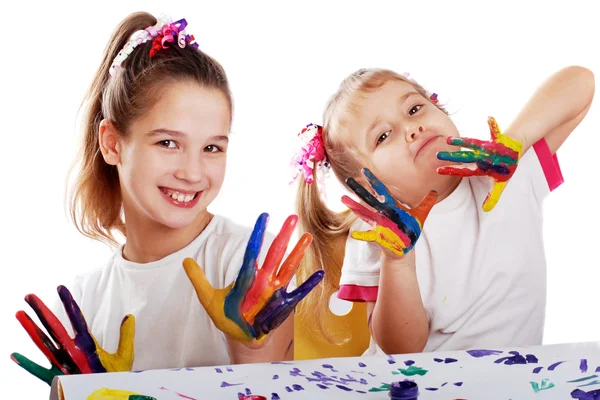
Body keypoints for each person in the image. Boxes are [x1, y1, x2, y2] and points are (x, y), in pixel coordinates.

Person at [11, 12, 321, 384]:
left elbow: (270, 389)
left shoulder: (247, 269)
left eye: (211, 147)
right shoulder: (85, 302)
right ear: (112, 143)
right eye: (168, 143)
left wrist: (250, 350)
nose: (192, 172)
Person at [293, 66, 594, 356]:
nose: (412, 128)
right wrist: (398, 262)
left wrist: (517, 142)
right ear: (368, 187)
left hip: (513, 379)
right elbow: (401, 349)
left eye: (413, 109)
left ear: (440, 109)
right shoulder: (380, 233)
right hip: (419, 385)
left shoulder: (505, 175)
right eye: (383, 136)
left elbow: (581, 82)